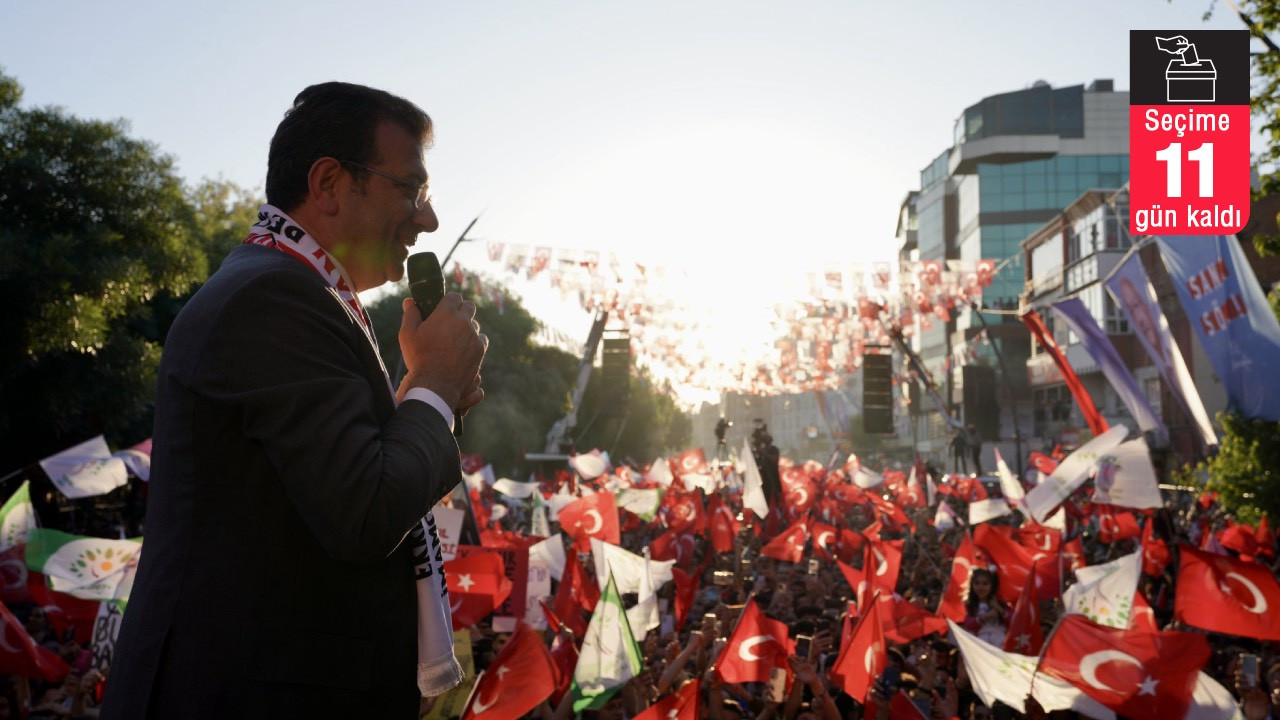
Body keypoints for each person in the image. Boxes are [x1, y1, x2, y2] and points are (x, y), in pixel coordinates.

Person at [102, 82, 487, 719]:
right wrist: (433, 390)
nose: (429, 220)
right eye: (411, 191)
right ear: (331, 182)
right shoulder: (274, 299)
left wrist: (427, 395)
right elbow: (363, 511)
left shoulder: (296, 290)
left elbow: (332, 480)